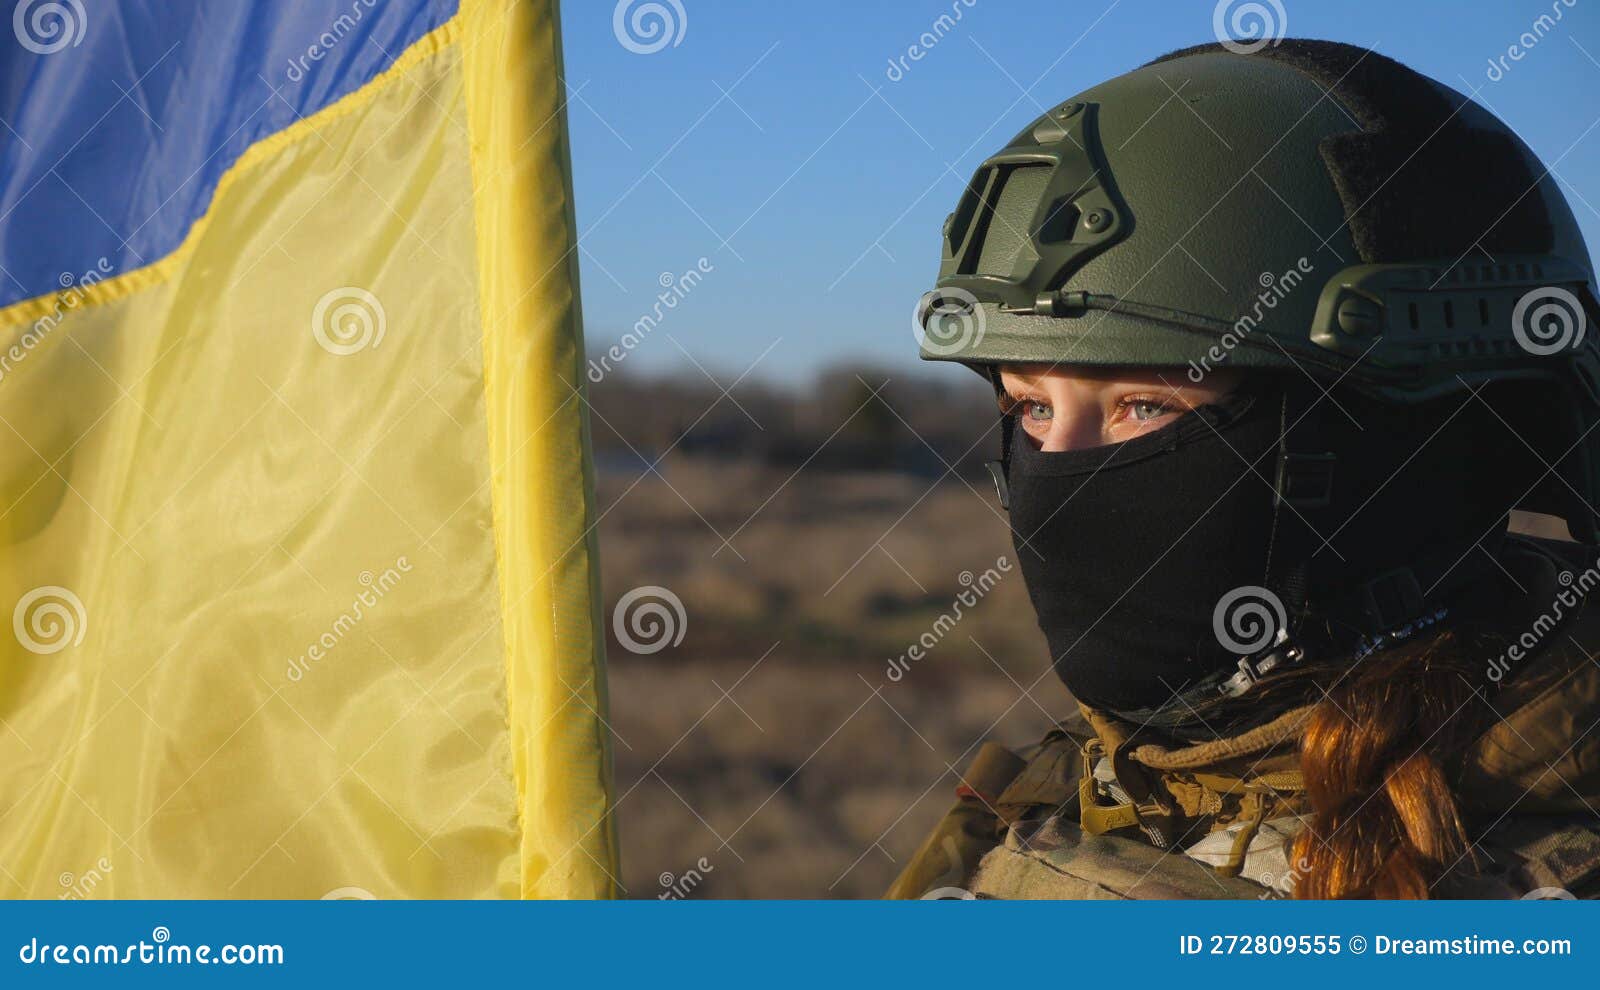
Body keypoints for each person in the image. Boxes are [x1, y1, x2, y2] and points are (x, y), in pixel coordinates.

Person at [888, 39, 1600, 899]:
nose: (1056, 471)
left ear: (1409, 440)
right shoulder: (1070, 790)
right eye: (1032, 407)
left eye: (1144, 406)